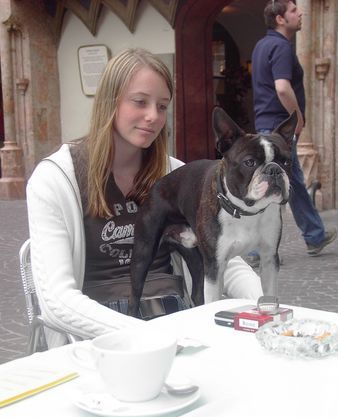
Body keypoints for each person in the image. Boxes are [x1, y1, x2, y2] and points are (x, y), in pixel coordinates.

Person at [27, 48, 263, 348]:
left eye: (162, 106)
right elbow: (56, 300)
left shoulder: (176, 174)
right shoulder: (55, 180)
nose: (153, 116)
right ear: (110, 102)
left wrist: (265, 305)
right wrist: (149, 336)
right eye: (140, 102)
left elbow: (224, 258)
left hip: (178, 321)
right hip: (97, 337)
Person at [248, 0, 337, 268]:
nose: (300, 14)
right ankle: (259, 250)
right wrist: (297, 117)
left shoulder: (262, 45)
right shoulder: (281, 46)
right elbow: (283, 88)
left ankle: (314, 235)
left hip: (268, 125)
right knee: (272, 186)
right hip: (279, 128)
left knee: (294, 181)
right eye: (294, 10)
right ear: (280, 19)